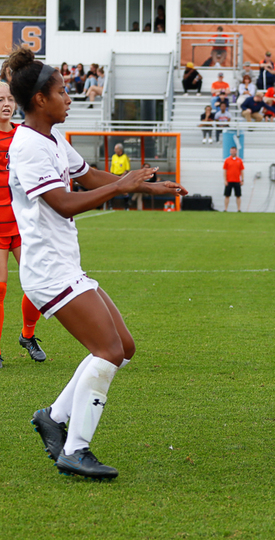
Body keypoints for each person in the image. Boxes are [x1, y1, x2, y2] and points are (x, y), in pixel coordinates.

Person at [6, 47, 185, 479]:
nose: (69, 98)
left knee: (122, 349)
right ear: (39, 101)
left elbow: (88, 178)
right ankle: (76, 449)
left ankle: (54, 416)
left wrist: (147, 190)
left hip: (65, 264)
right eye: (62, 92)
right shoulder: (27, 146)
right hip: (48, 270)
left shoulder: (52, 138)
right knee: (105, 350)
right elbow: (65, 203)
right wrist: (121, 186)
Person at [0, 81, 47, 368]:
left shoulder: (23, 136)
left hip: (21, 225)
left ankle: (27, 335)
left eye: (9, 99)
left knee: (37, 286)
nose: (5, 103)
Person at [223, 146, 244, 212]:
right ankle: (226, 209)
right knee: (227, 195)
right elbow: (225, 170)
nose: (233, 152)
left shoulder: (239, 160)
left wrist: (242, 180)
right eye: (232, 151)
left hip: (237, 181)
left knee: (238, 196)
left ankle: (239, 209)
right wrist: (225, 180)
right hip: (229, 181)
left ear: (236, 151)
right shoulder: (227, 160)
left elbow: (242, 171)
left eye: (234, 151)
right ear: (230, 151)